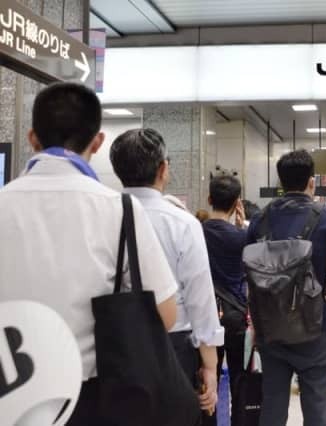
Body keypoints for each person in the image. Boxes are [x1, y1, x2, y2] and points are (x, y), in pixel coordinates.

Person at [0, 82, 178, 423]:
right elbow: (165, 314)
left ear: (32, 138)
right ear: (97, 141)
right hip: (90, 396)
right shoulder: (119, 209)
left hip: (8, 391)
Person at [110, 128, 223, 416]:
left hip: (115, 346)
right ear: (163, 169)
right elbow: (201, 300)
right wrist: (209, 365)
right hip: (174, 348)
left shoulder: (101, 216)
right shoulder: (182, 223)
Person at [246, 150, 326, 426]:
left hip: (271, 327)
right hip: (313, 326)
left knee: (273, 406)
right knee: (316, 406)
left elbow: (250, 277)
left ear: (281, 181)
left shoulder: (260, 219)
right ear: (312, 181)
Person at [202, 175, 248, 425]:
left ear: (209, 199)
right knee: (240, 379)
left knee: (208, 377)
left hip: (207, 315)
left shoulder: (196, 232)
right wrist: (242, 226)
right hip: (237, 314)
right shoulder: (242, 237)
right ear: (236, 203)